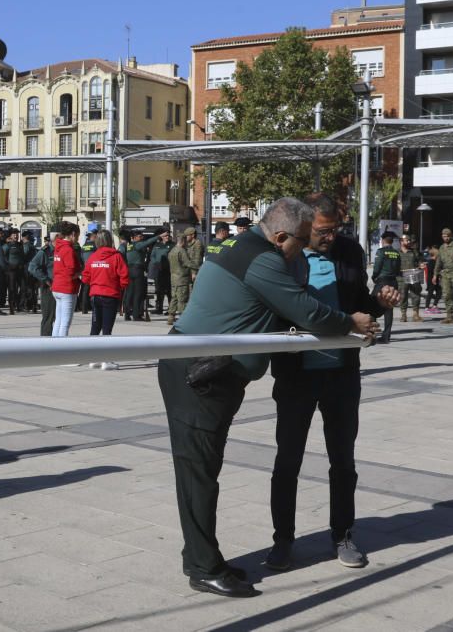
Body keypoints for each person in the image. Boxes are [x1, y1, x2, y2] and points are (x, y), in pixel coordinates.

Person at [157, 197, 376, 598]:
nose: (305, 251)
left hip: (209, 371)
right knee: (198, 473)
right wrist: (350, 321)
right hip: (198, 373)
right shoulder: (264, 260)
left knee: (203, 471)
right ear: (280, 236)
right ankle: (203, 567)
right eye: (302, 241)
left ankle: (205, 557)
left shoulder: (243, 248)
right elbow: (310, 313)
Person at [265, 193, 397, 574]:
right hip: (296, 376)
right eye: (323, 231)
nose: (330, 237)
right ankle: (283, 540)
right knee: (287, 461)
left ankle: (343, 534)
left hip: (341, 374)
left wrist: (380, 302)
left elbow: (360, 307)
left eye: (335, 229)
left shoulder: (350, 253)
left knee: (343, 461)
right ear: (304, 229)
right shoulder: (285, 257)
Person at [82, 230, 129, 335]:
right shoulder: (117, 257)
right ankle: (104, 350)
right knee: (107, 329)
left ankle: (91, 349)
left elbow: (85, 278)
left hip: (95, 295)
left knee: (95, 328)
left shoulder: (92, 257)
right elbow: (124, 277)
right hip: (111, 296)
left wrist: (95, 283)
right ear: (110, 240)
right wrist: (119, 288)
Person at [51, 221, 83, 337]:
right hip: (67, 288)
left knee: (58, 321)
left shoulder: (58, 248)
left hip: (57, 286)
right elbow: (71, 272)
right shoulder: (68, 250)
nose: (78, 239)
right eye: (78, 236)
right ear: (73, 234)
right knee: (65, 323)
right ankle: (62, 349)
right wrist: (80, 272)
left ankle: (54, 345)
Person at [371, 231, 401, 343]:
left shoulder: (381, 252)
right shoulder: (397, 253)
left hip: (382, 281)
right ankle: (386, 336)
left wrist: (374, 277)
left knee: (372, 305)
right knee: (389, 308)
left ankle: (372, 334)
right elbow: (398, 270)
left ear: (383, 240)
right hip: (393, 281)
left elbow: (377, 267)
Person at [28, 232, 57, 336]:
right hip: (49, 288)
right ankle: (46, 342)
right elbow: (32, 267)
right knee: (48, 317)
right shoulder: (45, 251)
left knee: (59, 318)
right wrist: (46, 279)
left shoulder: (63, 250)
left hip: (61, 288)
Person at [167, 235, 191, 325]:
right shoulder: (182, 251)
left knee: (174, 298)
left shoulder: (172, 250)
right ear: (183, 241)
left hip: (173, 278)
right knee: (182, 299)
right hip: (182, 278)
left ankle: (170, 317)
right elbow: (188, 263)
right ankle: (183, 318)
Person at [399, 234, 423, 323]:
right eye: (407, 240)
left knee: (415, 295)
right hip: (402, 276)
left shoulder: (414, 252)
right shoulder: (397, 253)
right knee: (403, 296)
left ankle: (415, 314)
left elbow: (420, 260)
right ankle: (403, 314)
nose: (409, 242)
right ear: (401, 241)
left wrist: (421, 264)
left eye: (409, 240)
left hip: (413, 275)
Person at [149, 229, 174, 314]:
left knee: (169, 291)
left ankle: (171, 309)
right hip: (159, 271)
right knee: (159, 290)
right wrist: (156, 263)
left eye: (168, 236)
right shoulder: (157, 245)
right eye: (165, 236)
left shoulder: (172, 245)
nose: (167, 237)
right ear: (162, 236)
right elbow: (152, 256)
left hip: (168, 271)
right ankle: (159, 308)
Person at [78, 232, 98, 314]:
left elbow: (81, 258)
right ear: (92, 237)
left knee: (85, 290)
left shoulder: (84, 246)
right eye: (95, 237)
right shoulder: (95, 246)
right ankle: (94, 307)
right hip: (94, 269)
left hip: (85, 269)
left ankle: (84, 308)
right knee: (95, 289)